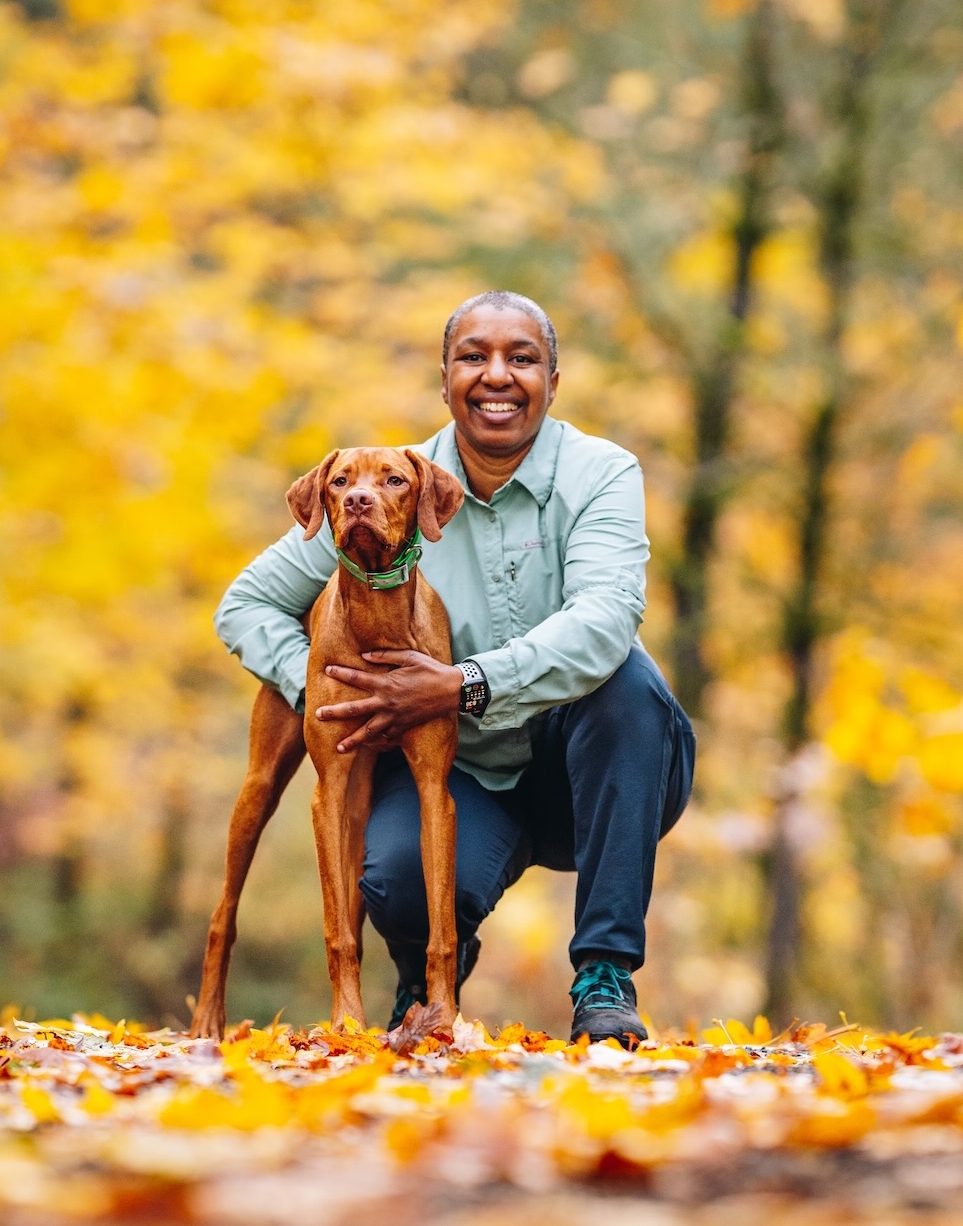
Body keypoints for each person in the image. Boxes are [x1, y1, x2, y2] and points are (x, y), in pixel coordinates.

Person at [214, 291, 695, 1044]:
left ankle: (604, 975)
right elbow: (244, 605)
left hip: (589, 779)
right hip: (462, 780)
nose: (496, 375)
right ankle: (423, 973)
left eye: (521, 357)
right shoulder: (381, 485)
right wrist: (325, 689)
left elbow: (604, 622)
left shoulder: (601, 473)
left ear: (553, 380)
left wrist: (464, 682)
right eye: (473, 357)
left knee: (629, 686)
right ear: (444, 381)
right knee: (397, 873)